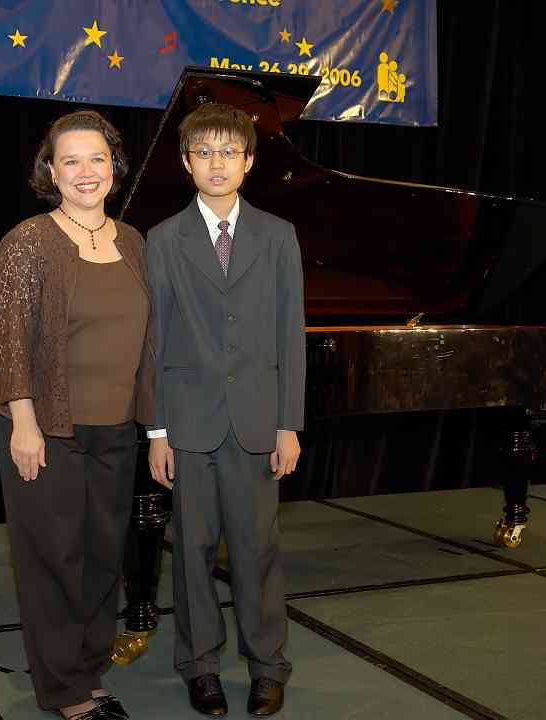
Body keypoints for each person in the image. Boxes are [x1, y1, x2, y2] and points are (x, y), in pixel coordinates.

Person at [0, 110, 154, 720]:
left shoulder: (134, 242)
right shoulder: (27, 241)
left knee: (104, 558)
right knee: (53, 560)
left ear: (115, 167)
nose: (87, 172)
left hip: (117, 429)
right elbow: (13, 341)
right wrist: (25, 422)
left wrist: (154, 428)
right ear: (51, 172)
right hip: (47, 428)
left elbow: (149, 345)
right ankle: (66, 693)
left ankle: (87, 671)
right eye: (72, 161)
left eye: (98, 159)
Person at [145, 103, 305, 717]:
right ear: (186, 164)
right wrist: (157, 428)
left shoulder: (277, 234)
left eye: (229, 152)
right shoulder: (162, 240)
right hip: (186, 422)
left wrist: (288, 423)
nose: (217, 163)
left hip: (259, 420)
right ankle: (200, 666)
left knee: (257, 549)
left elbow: (291, 335)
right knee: (189, 550)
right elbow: (154, 340)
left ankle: (268, 666)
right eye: (204, 152)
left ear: (249, 162)